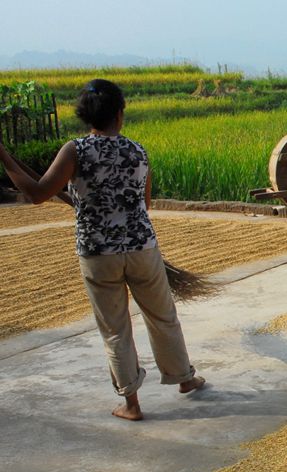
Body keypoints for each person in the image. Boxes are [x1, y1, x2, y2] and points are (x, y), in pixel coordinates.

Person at [0, 79, 205, 421]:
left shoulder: (75, 151)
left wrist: (6, 158)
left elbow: (37, 193)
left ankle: (132, 404)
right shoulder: (137, 151)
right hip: (142, 247)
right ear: (120, 114)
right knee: (163, 316)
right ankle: (184, 378)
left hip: (98, 252)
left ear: (85, 115)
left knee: (115, 328)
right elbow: (145, 204)